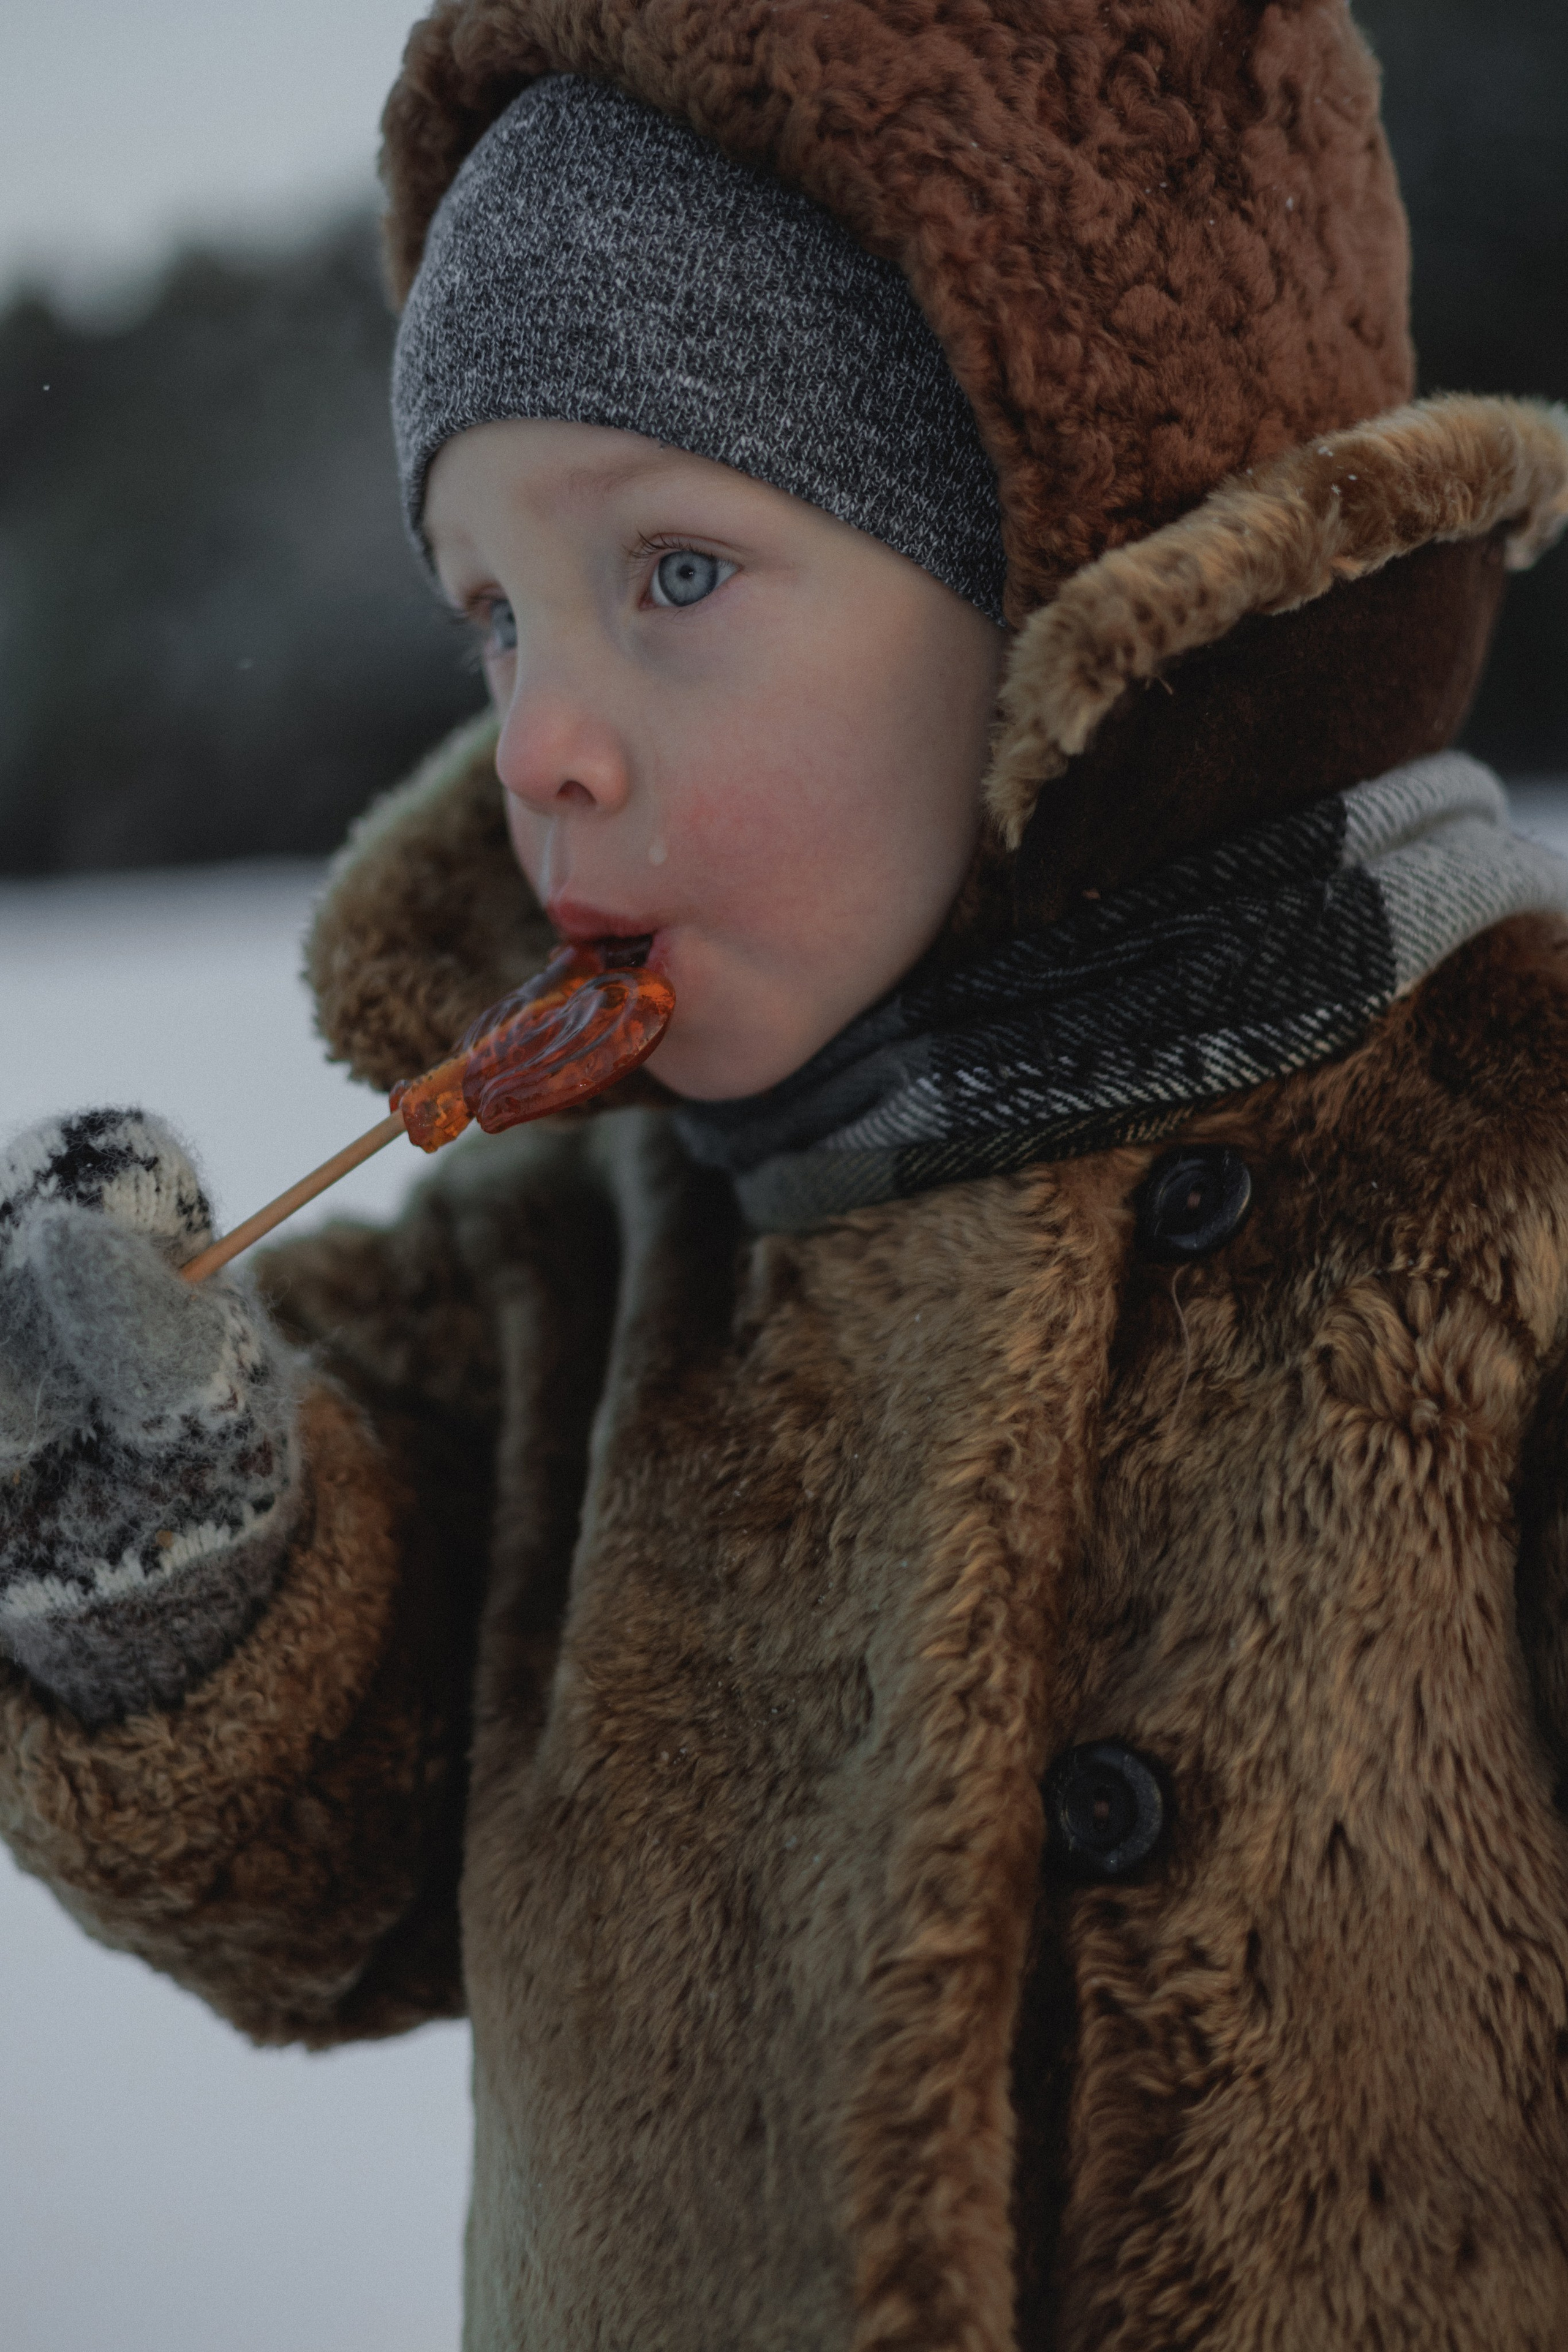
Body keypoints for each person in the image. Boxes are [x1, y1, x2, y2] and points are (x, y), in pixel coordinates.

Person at [5, 3, 1568, 2343]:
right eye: (495, 613)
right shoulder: (564, 1277)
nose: (538, 736)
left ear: (1071, 574)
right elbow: (323, 1856)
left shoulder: (1507, 1180)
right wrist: (177, 1562)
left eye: (677, 576)